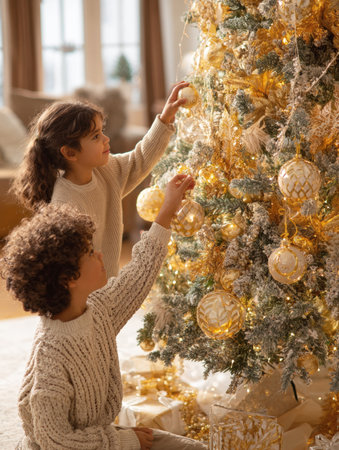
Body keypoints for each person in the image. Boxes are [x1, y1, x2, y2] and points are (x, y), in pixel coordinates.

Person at [2, 174, 207, 450]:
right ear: (69, 278)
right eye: (90, 253)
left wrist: (166, 212)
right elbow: (56, 442)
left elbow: (138, 275)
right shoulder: (49, 363)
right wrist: (123, 440)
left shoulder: (97, 308)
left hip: (96, 435)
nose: (100, 255)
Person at [12, 81, 189, 278]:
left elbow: (140, 158)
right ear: (70, 153)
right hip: (88, 298)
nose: (106, 139)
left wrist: (165, 119)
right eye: (96, 136)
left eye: (102, 131)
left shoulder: (106, 170)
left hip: (109, 287)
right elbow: (73, 276)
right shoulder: (65, 206)